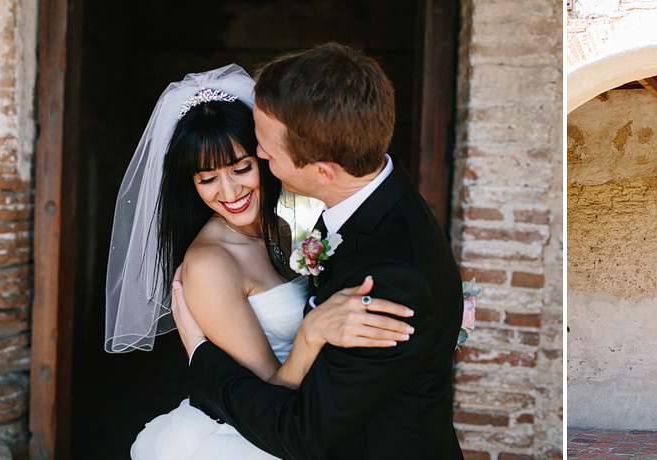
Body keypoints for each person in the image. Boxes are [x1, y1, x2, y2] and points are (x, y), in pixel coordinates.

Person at [104, 64, 415, 460]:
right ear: (191, 184)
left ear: (265, 157)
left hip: (316, 421)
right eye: (207, 178)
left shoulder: (280, 229)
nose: (230, 191)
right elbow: (267, 392)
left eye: (241, 168)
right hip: (260, 438)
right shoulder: (209, 263)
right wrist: (311, 333)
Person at [172, 43, 466, 459]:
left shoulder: (387, 278)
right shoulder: (383, 204)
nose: (259, 152)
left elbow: (302, 431)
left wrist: (201, 355)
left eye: (263, 152)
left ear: (322, 172)